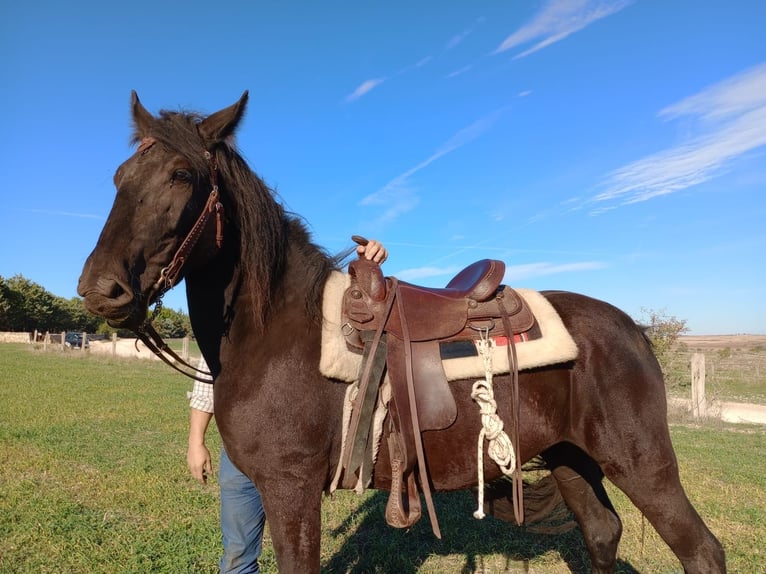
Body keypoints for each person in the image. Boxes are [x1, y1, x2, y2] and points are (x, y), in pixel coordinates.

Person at [186, 239, 388, 573]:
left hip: (287, 448)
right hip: (238, 449)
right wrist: (196, 441)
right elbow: (208, 377)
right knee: (237, 552)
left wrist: (364, 271)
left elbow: (346, 318)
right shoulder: (231, 324)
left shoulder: (297, 317)